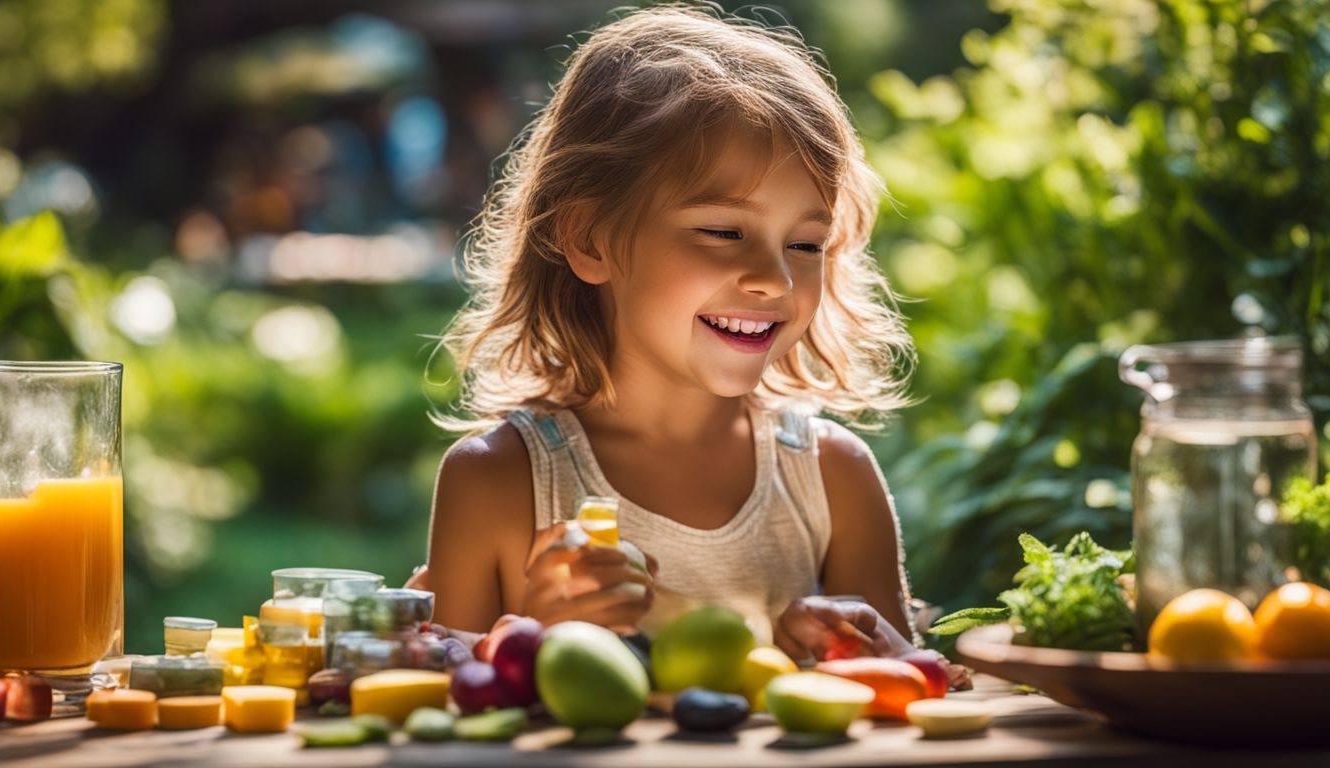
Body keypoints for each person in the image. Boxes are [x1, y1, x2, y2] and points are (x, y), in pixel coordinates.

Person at [408, 3, 961, 682]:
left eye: (806, 243)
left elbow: (914, 688)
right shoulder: (496, 482)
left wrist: (867, 651)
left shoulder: (833, 478)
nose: (773, 277)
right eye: (724, 231)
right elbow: (444, 716)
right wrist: (535, 637)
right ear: (587, 239)